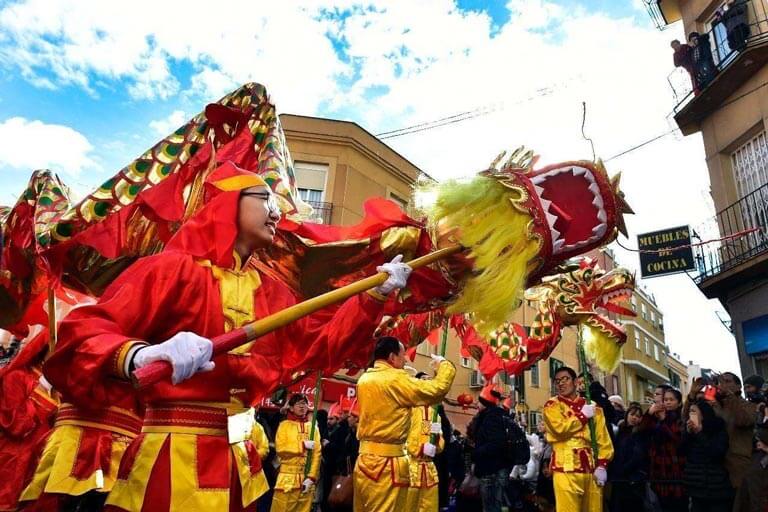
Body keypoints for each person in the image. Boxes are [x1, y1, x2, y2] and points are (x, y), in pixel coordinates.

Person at [42, 163, 414, 512]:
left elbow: (320, 345)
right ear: (226, 203)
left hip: (241, 461)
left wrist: (374, 297)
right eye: (265, 199)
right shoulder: (172, 269)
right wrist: (142, 354)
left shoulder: (272, 291)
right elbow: (84, 331)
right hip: (173, 457)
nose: (277, 213)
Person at [353, 336, 455, 512]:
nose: (406, 359)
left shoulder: (365, 379)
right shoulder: (395, 379)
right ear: (392, 357)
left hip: (364, 460)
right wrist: (445, 365)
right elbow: (437, 390)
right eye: (402, 355)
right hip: (388, 464)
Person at [543, 366, 613, 512]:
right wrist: (581, 417)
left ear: (575, 382)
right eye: (557, 381)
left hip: (590, 468)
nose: (561, 383)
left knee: (594, 508)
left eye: (565, 379)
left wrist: (602, 464)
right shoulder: (552, 405)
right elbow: (559, 430)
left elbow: (603, 439)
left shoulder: (593, 408)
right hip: (565, 467)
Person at [271, 393, 321, 512]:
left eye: (304, 403)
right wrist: (302, 445)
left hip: (306, 479)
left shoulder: (313, 427)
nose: (302, 406)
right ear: (291, 408)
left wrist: (312, 477)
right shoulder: (284, 425)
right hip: (287, 478)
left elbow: (317, 453)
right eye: (299, 404)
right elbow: (281, 449)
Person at [709, 372, 757, 493]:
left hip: (739, 466)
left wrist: (730, 396)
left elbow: (743, 421)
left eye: (728, 381)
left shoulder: (749, 405)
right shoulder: (716, 404)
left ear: (738, 386)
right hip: (717, 468)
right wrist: (696, 396)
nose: (723, 385)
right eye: (721, 382)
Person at [682, 399, 734, 512]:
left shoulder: (718, 428)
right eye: (690, 412)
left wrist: (700, 434)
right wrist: (687, 434)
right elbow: (682, 452)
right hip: (696, 487)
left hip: (716, 488)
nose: (691, 415)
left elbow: (717, 453)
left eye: (694, 412)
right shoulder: (690, 432)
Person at [405, 372, 445, 512]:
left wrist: (436, 442)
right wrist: (420, 448)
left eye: (430, 381)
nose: (428, 383)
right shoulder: (410, 409)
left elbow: (431, 436)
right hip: (411, 468)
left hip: (428, 470)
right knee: (408, 506)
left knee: (430, 506)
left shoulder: (434, 414)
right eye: (424, 380)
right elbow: (404, 435)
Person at [471, 384, 513, 512]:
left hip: (491, 470)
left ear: (485, 403)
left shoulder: (491, 418)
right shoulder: (499, 416)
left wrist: (477, 452)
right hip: (497, 469)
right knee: (494, 507)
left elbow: (496, 443)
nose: (477, 404)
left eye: (480, 401)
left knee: (491, 508)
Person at [644, 387, 687, 512]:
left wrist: (663, 421)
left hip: (676, 471)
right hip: (659, 471)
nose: (667, 402)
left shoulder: (682, 418)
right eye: (665, 399)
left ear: (679, 402)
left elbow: (677, 439)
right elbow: (642, 431)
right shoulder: (658, 416)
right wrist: (649, 414)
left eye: (671, 400)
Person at [608, 404, 649, 512]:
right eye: (632, 414)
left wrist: (623, 469)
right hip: (618, 479)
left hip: (632, 480)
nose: (634, 418)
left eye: (638, 416)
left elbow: (637, 456)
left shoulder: (640, 434)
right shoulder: (620, 431)